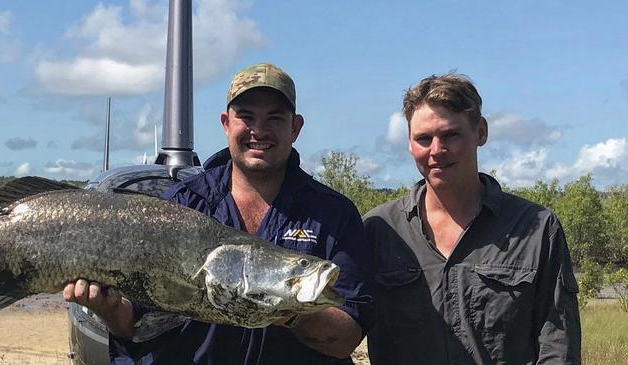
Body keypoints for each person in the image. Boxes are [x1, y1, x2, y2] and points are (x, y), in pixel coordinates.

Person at [63, 63, 373, 364]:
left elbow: (346, 337)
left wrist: (288, 311)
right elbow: (137, 324)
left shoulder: (334, 214)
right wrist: (106, 307)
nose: (259, 131)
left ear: (295, 127)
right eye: (246, 117)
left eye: (274, 118)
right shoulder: (180, 206)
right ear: (226, 123)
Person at [363, 73, 581, 365]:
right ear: (409, 143)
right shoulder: (380, 230)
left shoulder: (537, 228)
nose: (436, 151)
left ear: (481, 132)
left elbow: (559, 346)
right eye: (424, 139)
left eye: (451, 135)